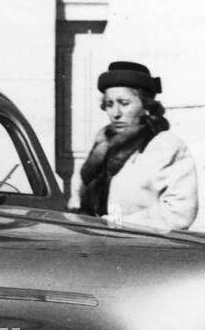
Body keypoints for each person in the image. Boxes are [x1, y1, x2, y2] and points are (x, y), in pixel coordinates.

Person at [68, 60, 198, 232]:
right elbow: (79, 195)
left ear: (146, 106)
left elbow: (179, 212)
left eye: (124, 103)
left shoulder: (165, 146)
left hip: (143, 247)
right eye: (109, 104)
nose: (115, 113)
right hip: (95, 242)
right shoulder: (102, 144)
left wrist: (117, 224)